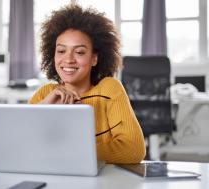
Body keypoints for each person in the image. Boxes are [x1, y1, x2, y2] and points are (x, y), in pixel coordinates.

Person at [29, 4, 145, 164]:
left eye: (79, 52)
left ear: (94, 58)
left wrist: (68, 151)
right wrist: (44, 110)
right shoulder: (45, 94)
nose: (68, 59)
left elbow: (133, 149)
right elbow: (22, 148)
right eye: (61, 51)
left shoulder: (110, 90)